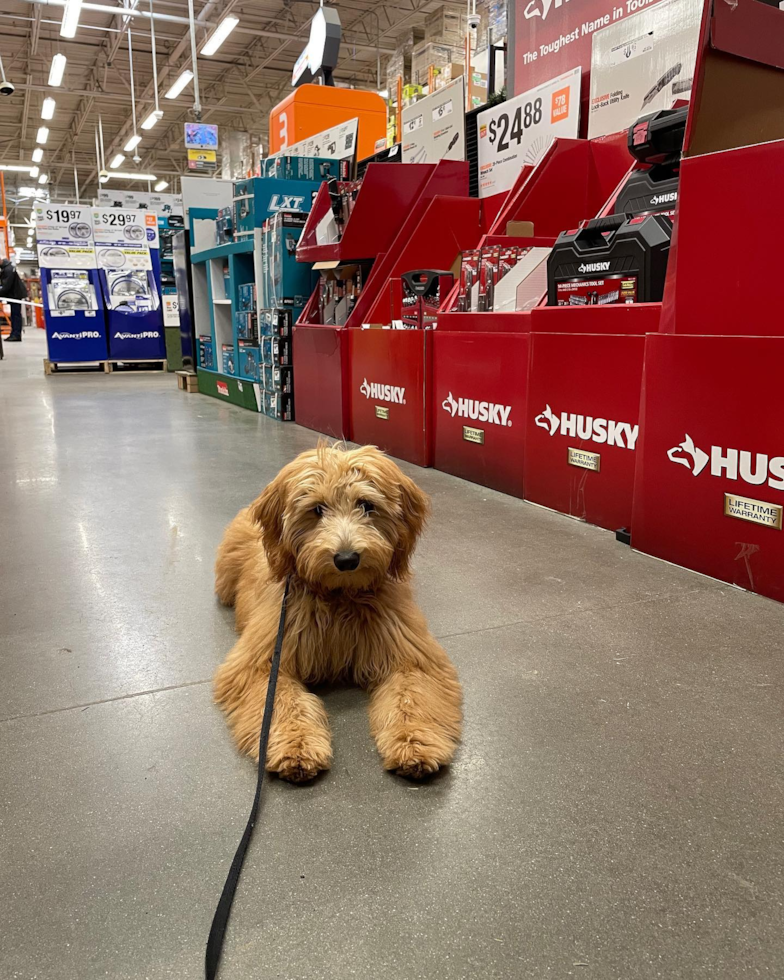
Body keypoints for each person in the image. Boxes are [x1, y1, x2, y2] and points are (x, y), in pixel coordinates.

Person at [0, 257, 28, 342]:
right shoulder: (7, 268)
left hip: (15, 295)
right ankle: (14, 334)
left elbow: (6, 286)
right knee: (14, 315)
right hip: (14, 295)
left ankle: (16, 335)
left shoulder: (8, 269)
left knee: (16, 315)